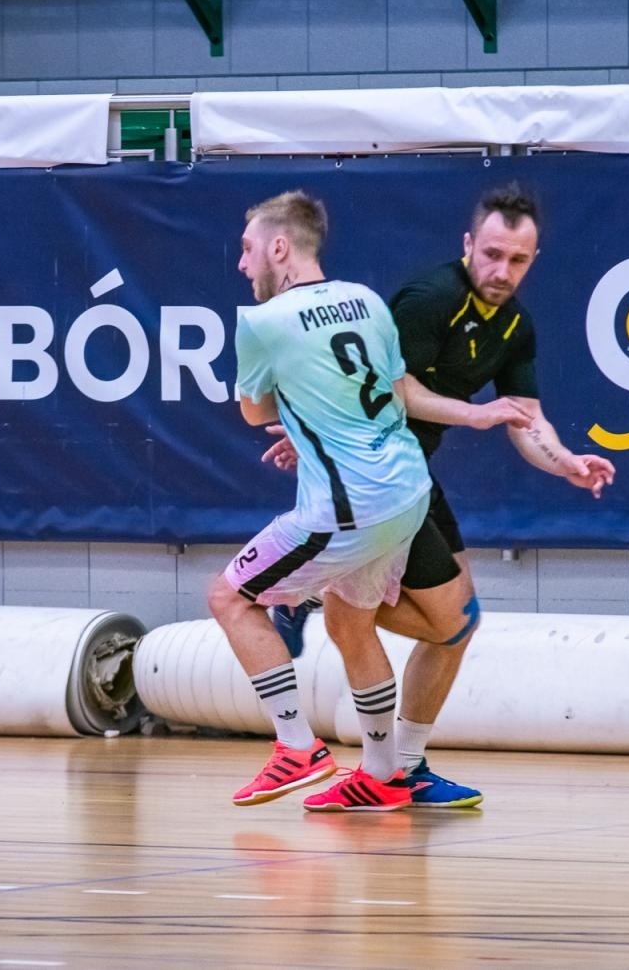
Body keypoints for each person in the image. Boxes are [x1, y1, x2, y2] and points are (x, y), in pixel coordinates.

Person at [264, 183, 616, 806]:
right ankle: (381, 761)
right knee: (442, 624)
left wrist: (566, 464)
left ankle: (401, 764)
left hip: (412, 476)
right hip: (376, 479)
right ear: (467, 245)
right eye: (491, 254)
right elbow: (374, 385)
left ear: (534, 260)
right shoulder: (430, 301)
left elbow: (526, 417)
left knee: (455, 627)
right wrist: (319, 430)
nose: (501, 271)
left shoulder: (515, 325)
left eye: (517, 260)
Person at [206, 190, 483, 812]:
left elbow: (253, 411)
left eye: (248, 249)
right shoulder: (366, 300)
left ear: (280, 246)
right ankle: (384, 773)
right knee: (351, 621)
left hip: (345, 507)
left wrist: (303, 407)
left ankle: (296, 746)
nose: (242, 264)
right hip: (408, 492)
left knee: (228, 598)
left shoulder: (261, 323)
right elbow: (390, 390)